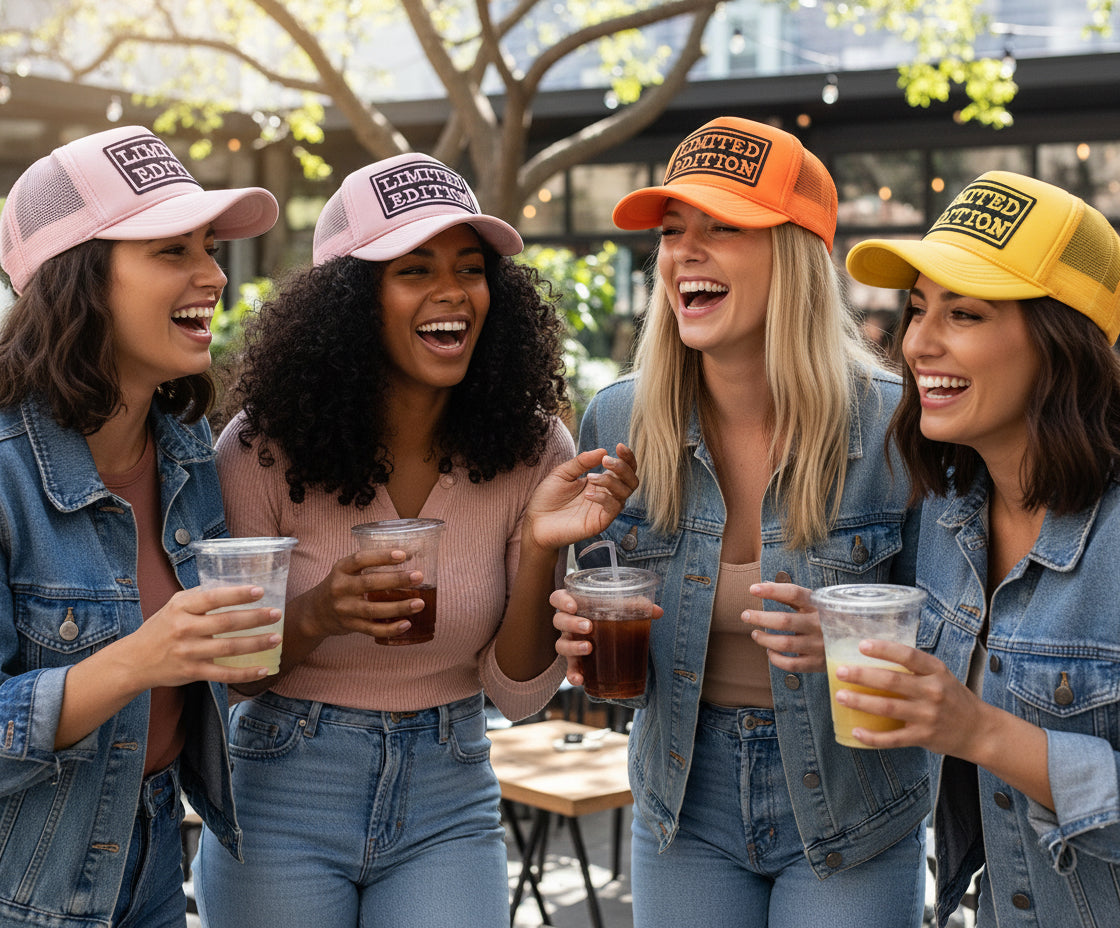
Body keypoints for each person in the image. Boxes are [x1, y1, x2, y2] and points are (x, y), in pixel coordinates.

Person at [193, 153, 638, 928]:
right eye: (414, 269)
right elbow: (227, 676)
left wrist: (538, 546)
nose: (452, 292)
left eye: (471, 268)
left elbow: (519, 691)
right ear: (352, 302)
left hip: (450, 783)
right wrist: (321, 612)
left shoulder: (536, 449)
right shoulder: (260, 449)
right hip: (283, 786)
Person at [550, 116, 929, 927]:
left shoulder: (900, 431)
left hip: (852, 802)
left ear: (793, 254)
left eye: (722, 227)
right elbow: (607, 642)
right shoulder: (617, 420)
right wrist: (583, 645)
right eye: (673, 231)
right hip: (684, 799)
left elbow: (960, 649)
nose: (685, 251)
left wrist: (844, 645)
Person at [0, 126, 279, 928]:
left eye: (209, 246)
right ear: (78, 281)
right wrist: (139, 660)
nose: (214, 274)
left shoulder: (188, 447)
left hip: (153, 856)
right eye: (171, 251)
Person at [842, 170, 1120, 927]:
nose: (918, 343)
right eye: (918, 309)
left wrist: (982, 731)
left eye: (963, 314)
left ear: (1062, 345)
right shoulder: (944, 514)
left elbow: (972, 729)